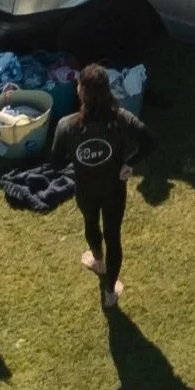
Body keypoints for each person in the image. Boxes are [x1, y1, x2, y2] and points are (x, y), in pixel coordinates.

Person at [50, 62, 144, 310]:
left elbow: (56, 163)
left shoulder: (67, 126)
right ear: (107, 91)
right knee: (113, 237)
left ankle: (98, 261)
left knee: (90, 223)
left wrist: (80, 162)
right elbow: (150, 140)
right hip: (114, 191)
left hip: (86, 190)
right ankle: (110, 293)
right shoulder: (121, 119)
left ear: (80, 92)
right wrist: (129, 164)